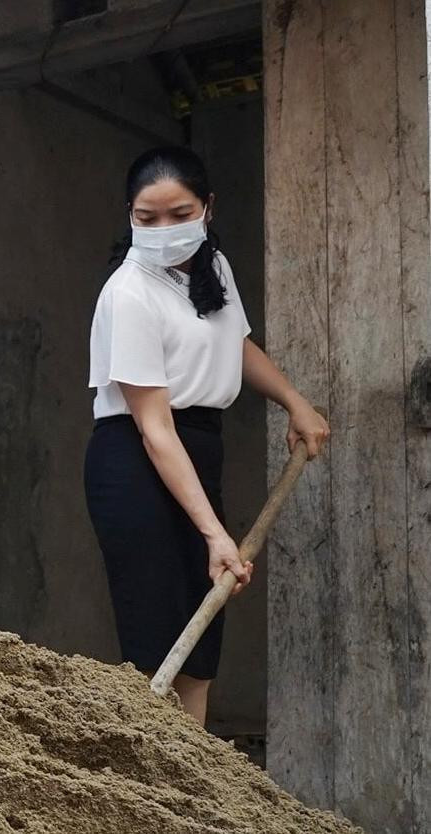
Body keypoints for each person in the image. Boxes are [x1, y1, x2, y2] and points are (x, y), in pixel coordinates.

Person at [84, 146, 330, 724]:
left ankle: (193, 786)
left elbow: (234, 344)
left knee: (202, 631)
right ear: (129, 215)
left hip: (198, 448)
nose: (164, 230)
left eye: (179, 214)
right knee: (158, 632)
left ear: (208, 209)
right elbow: (153, 427)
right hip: (138, 459)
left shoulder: (213, 267)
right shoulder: (127, 294)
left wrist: (294, 400)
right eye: (147, 218)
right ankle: (150, 788)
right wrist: (215, 532)